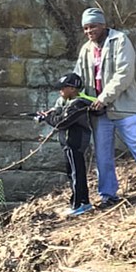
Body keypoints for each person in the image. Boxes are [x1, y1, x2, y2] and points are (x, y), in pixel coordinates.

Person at [74, 7, 136, 207]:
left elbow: (124, 73)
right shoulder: (86, 49)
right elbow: (77, 78)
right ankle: (108, 194)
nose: (89, 31)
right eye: (85, 28)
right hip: (98, 111)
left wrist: (104, 97)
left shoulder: (120, 40)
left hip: (123, 107)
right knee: (102, 154)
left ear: (103, 25)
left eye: (93, 26)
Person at [37, 72, 94, 217]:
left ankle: (78, 205)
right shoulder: (68, 102)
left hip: (75, 143)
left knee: (76, 174)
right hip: (69, 145)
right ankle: (84, 202)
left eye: (63, 87)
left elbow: (62, 122)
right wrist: (50, 113)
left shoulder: (78, 104)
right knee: (73, 173)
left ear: (73, 89)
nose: (60, 90)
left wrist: (48, 118)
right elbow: (61, 113)